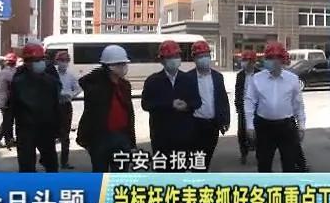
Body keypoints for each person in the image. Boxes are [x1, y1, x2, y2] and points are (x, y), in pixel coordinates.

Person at [245, 42, 305, 173]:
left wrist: (301, 125)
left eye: (275, 58)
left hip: (287, 127)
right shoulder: (257, 79)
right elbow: (249, 102)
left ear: (282, 60)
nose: (272, 61)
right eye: (269, 58)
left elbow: (298, 104)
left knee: (289, 164)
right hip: (264, 127)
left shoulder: (292, 79)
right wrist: (249, 126)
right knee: (264, 164)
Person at [141, 40, 201, 172]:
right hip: (161, 136)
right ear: (162, 60)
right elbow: (146, 104)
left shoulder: (188, 79)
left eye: (176, 56)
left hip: (183, 136)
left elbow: (197, 102)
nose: (174, 60)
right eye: (169, 57)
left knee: (179, 171)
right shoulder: (153, 81)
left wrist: (187, 106)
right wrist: (169, 105)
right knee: (162, 172)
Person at [76, 45, 136, 172]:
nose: (124, 67)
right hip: (100, 138)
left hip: (122, 137)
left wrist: (131, 142)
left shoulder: (124, 85)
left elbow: (129, 113)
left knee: (120, 175)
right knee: (100, 174)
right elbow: (84, 82)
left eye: (124, 64)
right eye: (120, 64)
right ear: (109, 66)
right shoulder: (96, 86)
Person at [9, 43, 60, 172]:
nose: (40, 63)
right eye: (36, 60)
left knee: (51, 163)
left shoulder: (50, 80)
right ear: (27, 62)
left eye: (41, 59)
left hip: (46, 128)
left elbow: (56, 106)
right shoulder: (18, 81)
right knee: (27, 165)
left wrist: (58, 129)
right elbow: (11, 109)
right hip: (26, 130)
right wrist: (8, 132)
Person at [186, 41, 230, 171]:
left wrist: (225, 120)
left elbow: (223, 99)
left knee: (207, 156)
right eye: (200, 56)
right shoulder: (187, 78)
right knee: (196, 159)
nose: (204, 59)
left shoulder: (218, 77)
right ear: (194, 58)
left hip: (212, 125)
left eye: (206, 55)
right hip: (194, 125)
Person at [55, 51, 81, 169]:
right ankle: (45, 159)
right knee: (51, 134)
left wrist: (70, 95)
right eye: (62, 60)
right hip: (54, 106)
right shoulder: (53, 74)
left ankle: (64, 161)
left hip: (66, 106)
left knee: (65, 135)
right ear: (57, 61)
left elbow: (78, 89)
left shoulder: (70, 75)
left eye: (66, 61)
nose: (64, 63)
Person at [235, 50, 259, 164]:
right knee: (242, 132)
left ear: (252, 62)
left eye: (246, 60)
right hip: (243, 108)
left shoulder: (260, 75)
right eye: (243, 60)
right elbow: (238, 92)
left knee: (259, 132)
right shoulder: (240, 75)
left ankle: (259, 152)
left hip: (257, 108)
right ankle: (244, 153)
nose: (243, 63)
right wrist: (238, 106)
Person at [0, 52, 18, 149]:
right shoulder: (11, 73)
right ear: (14, 62)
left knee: (8, 122)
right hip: (7, 102)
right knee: (7, 122)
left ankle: (9, 140)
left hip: (3, 101)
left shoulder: (3, 71)